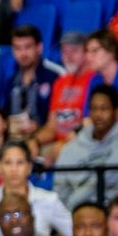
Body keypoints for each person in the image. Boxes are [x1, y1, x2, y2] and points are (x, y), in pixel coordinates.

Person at [53, 84, 118, 209]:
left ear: (116, 110)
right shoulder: (70, 149)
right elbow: (60, 193)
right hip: (79, 214)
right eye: (94, 109)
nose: (98, 115)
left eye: (104, 109)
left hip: (117, 212)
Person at [35, 30, 95, 161]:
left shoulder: (94, 80)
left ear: (86, 53)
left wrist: (64, 145)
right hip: (57, 144)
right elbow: (51, 127)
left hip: (82, 143)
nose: (68, 56)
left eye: (74, 51)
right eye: (65, 51)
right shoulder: (60, 82)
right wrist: (33, 141)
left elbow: (91, 124)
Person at [0, 24, 59, 142]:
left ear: (39, 48)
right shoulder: (10, 82)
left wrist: (38, 126)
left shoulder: (54, 77)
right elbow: (3, 114)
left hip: (44, 139)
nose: (23, 53)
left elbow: (59, 120)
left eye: (27, 47)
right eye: (17, 48)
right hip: (13, 139)